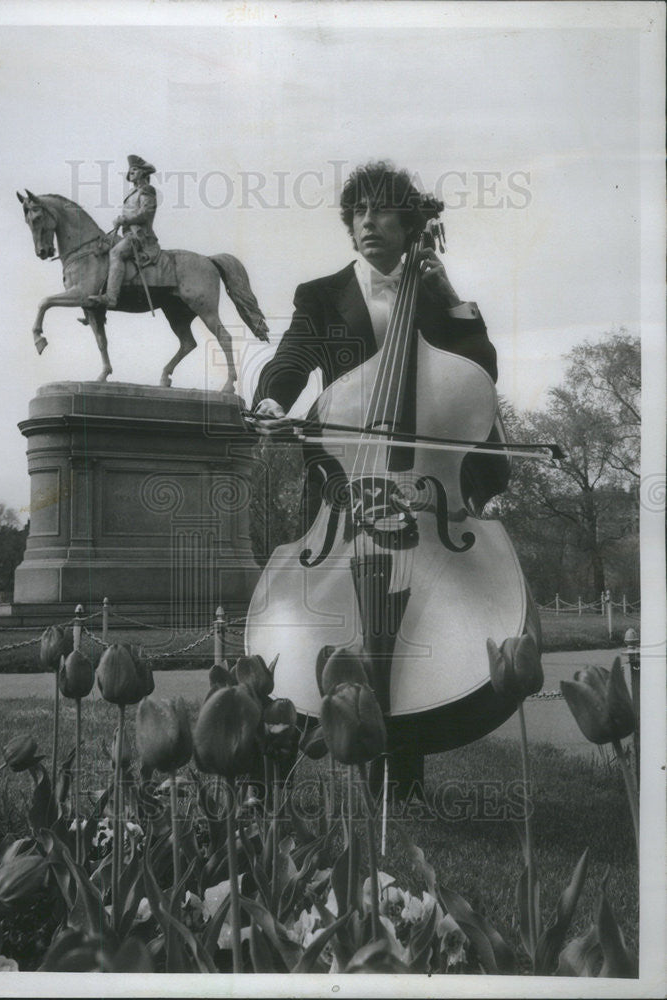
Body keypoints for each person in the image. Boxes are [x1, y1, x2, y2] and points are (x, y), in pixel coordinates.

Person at [249, 160, 508, 800]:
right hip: (346, 486)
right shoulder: (321, 294)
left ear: (409, 223)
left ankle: (401, 771)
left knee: (419, 618)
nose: (368, 221)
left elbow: (480, 371)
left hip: (425, 493)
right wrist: (275, 401)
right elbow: (293, 358)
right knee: (314, 616)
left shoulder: (438, 296)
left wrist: (447, 296)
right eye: (358, 211)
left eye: (384, 210)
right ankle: (274, 754)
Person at [89, 154, 160, 308]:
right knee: (102, 248)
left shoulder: (147, 190)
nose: (131, 172)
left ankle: (111, 298)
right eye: (131, 170)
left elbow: (146, 213)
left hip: (141, 237)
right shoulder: (131, 193)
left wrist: (125, 220)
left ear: (143, 172)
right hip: (128, 234)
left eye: (135, 169)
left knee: (115, 253)